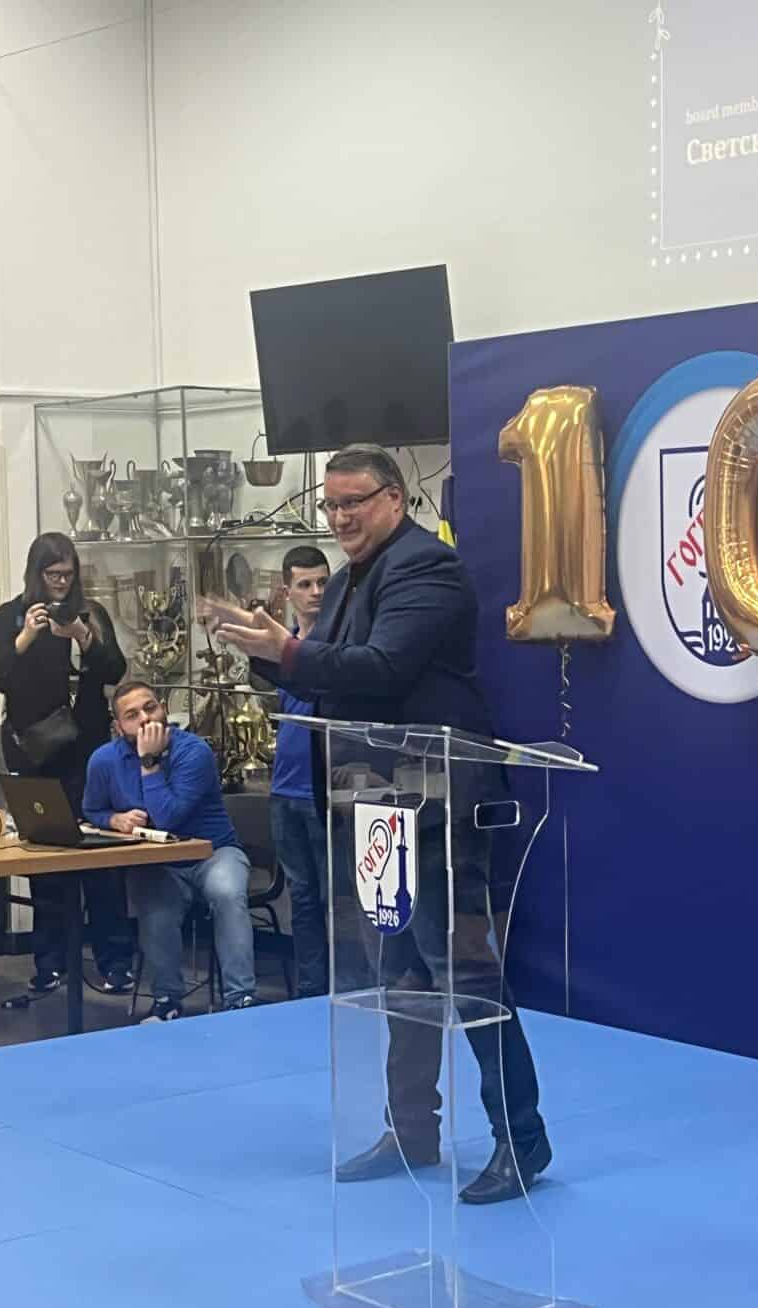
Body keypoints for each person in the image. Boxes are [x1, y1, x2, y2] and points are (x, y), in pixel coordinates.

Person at [204, 444, 549, 1206]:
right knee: (401, 974)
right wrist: (268, 653)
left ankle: (521, 1138)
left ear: (395, 498)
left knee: (465, 974)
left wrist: (289, 649)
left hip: (441, 800)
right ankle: (412, 1130)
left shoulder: (427, 567)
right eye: (330, 506)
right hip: (377, 797)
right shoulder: (355, 575)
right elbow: (329, 663)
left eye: (353, 502)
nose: (341, 519)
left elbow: (383, 667)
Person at [0, 533, 137, 995]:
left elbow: (113, 671)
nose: (61, 584)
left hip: (88, 754)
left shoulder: (92, 615)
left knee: (100, 861)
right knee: (46, 861)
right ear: (36, 574)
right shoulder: (11, 615)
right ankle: (50, 962)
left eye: (68, 575)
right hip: (33, 752)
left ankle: (114, 962)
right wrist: (26, 635)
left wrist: (83, 636)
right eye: (53, 576)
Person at [84, 679, 257, 1021]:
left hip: (213, 853)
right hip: (158, 862)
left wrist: (149, 763)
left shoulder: (194, 751)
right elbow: (91, 810)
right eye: (132, 715)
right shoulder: (104, 760)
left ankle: (240, 999)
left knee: (227, 893)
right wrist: (114, 819)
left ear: (164, 708)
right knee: (154, 905)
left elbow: (167, 817)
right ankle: (167, 1001)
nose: (145, 719)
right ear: (118, 727)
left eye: (151, 707)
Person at [267, 544, 331, 999]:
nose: (315, 592)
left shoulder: (339, 645)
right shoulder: (283, 645)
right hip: (284, 786)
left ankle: (347, 987)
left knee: (336, 896)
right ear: (287, 592)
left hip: (327, 788)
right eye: (305, 584)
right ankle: (311, 991)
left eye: (323, 582)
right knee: (303, 897)